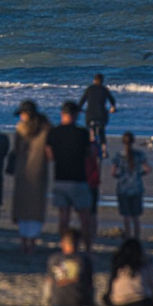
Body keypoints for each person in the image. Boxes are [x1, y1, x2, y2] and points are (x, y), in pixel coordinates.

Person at [47, 101, 92, 252]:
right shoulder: (82, 133)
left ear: (62, 114)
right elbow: (89, 153)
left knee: (63, 217)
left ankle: (65, 247)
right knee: (84, 217)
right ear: (76, 115)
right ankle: (87, 248)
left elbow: (50, 155)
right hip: (78, 178)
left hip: (60, 177)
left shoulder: (54, 133)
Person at [11, 100, 52, 254]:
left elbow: (16, 149)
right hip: (39, 169)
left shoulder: (20, 129)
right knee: (36, 207)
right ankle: (33, 242)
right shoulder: (46, 128)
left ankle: (23, 243)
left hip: (23, 170)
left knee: (22, 206)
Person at [103, 238, 153, 306]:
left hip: (118, 303)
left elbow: (109, 290)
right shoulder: (145, 267)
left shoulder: (118, 268)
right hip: (141, 303)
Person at [43, 228, 94, 306]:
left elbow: (49, 282)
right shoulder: (84, 260)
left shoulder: (54, 259)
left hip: (57, 302)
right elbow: (89, 285)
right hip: (80, 302)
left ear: (63, 243)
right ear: (78, 243)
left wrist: (47, 302)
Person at [112, 132, 151, 239]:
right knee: (136, 216)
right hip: (136, 186)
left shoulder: (119, 155)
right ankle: (137, 237)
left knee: (126, 216)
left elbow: (113, 172)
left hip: (123, 187)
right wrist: (139, 174)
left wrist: (120, 176)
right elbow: (148, 169)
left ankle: (128, 236)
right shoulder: (139, 154)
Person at [78, 73, 116, 156]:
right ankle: (104, 151)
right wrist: (113, 108)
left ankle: (90, 149)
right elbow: (112, 100)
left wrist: (79, 109)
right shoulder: (104, 89)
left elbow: (82, 101)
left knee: (90, 131)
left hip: (90, 115)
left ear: (94, 80)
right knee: (102, 131)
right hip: (102, 115)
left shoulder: (89, 89)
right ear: (102, 81)